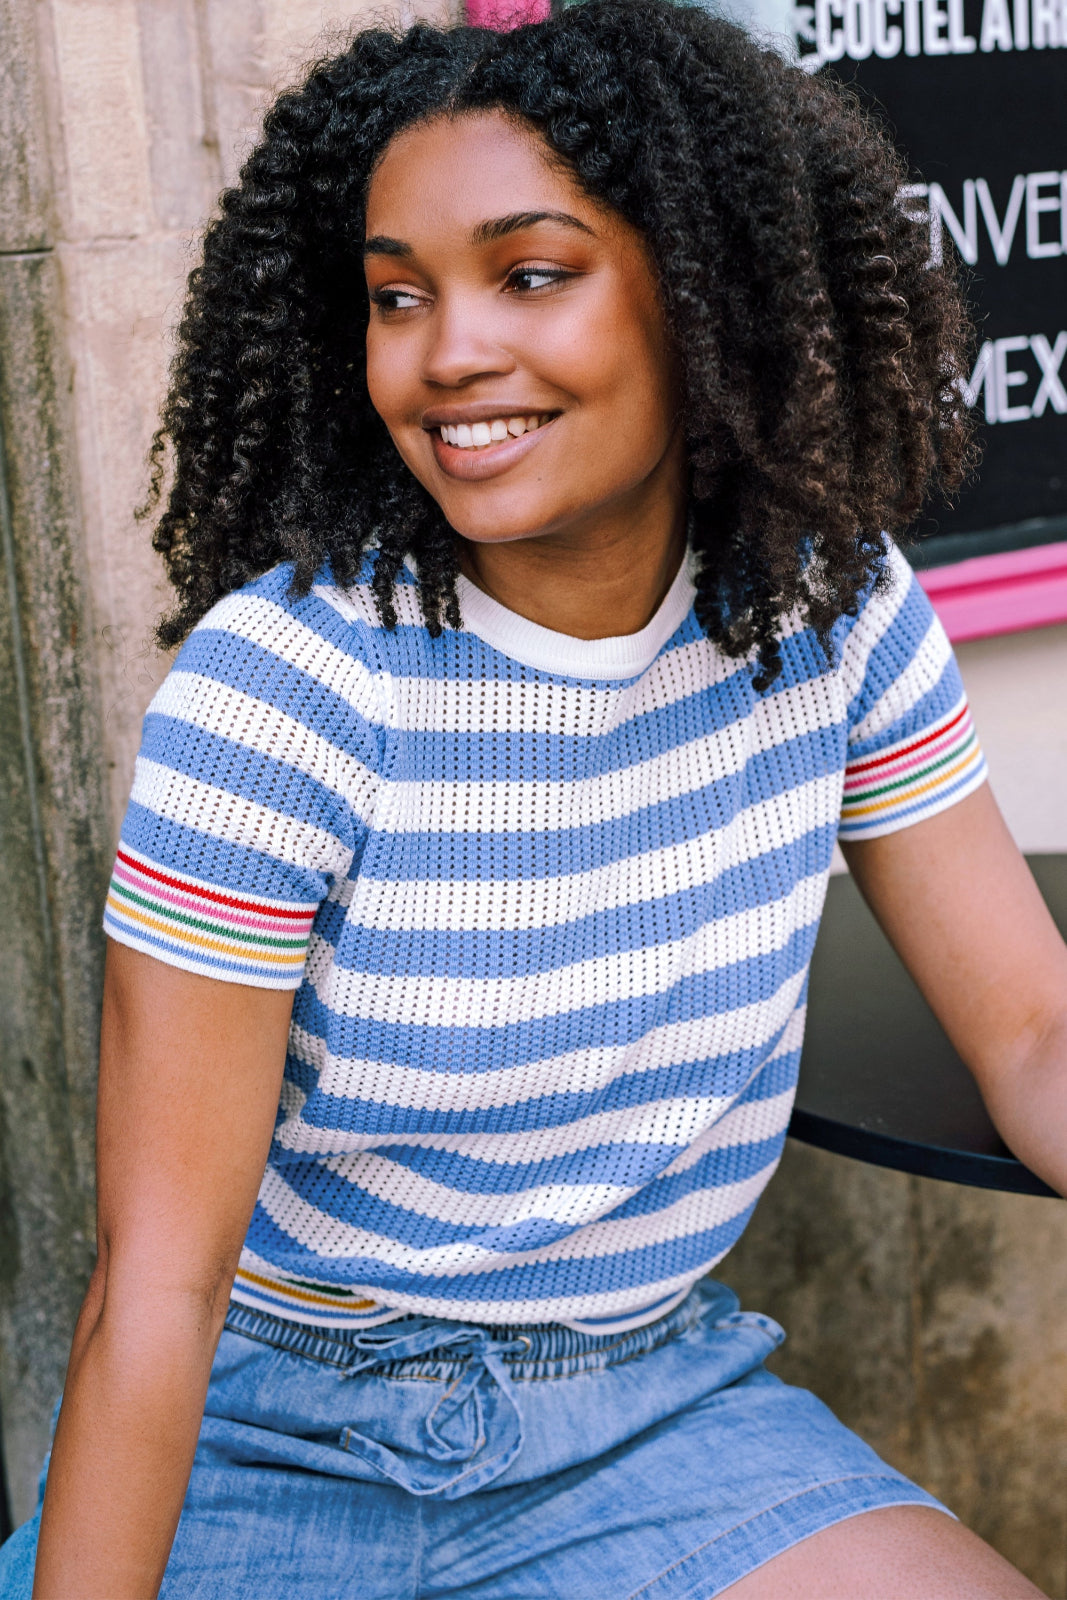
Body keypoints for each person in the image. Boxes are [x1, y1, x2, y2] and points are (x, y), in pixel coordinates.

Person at [4, 2, 1065, 1594]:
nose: (448, 355)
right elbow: (157, 1285)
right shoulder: (286, 691)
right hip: (276, 1434)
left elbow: (1035, 1035)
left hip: (642, 1411)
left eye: (533, 273)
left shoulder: (828, 613)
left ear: (705, 296)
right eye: (396, 297)